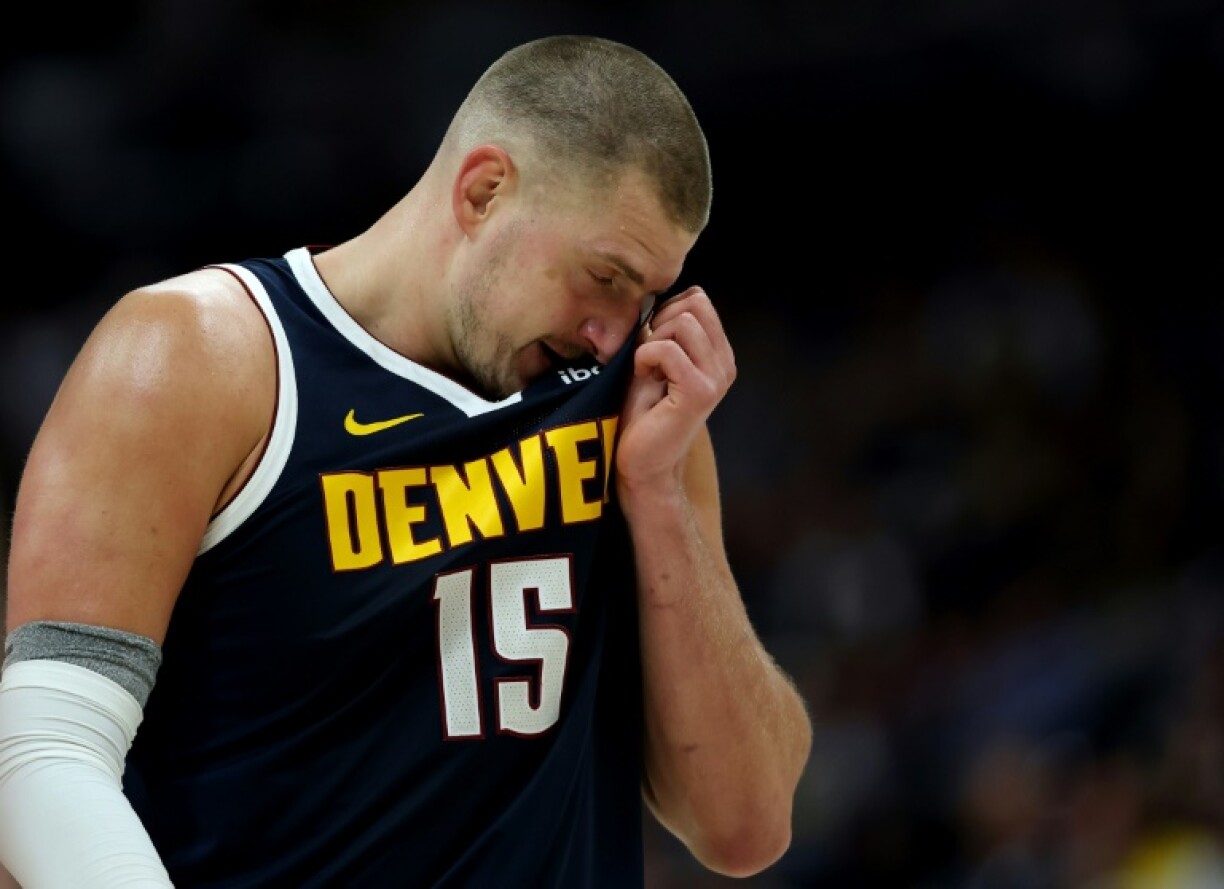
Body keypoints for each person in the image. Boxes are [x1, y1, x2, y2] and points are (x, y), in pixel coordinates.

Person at [0, 34, 812, 888]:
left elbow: (745, 826)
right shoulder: (204, 356)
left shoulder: (636, 408)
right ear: (484, 190)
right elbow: (44, 747)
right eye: (604, 275)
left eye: (647, 292)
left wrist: (658, 495)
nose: (614, 329)